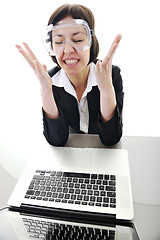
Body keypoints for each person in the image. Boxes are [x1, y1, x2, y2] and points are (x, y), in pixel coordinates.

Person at [16, 4, 124, 147]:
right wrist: (47, 92)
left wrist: (106, 91)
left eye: (78, 40)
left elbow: (111, 139)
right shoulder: (51, 80)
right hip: (69, 158)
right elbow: (57, 140)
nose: (67, 50)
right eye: (59, 42)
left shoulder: (111, 74)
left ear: (91, 41)